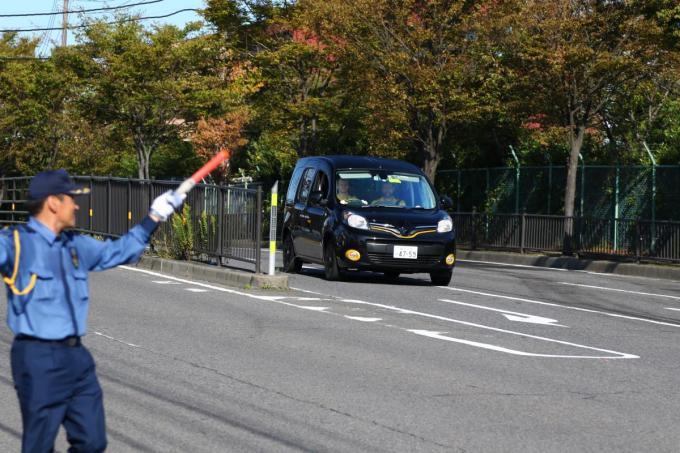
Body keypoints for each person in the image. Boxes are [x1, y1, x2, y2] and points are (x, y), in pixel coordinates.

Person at [0, 169, 185, 453]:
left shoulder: (75, 246)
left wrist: (154, 217)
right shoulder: (14, 243)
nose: (75, 205)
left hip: (76, 358)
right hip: (36, 358)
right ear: (53, 203)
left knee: (92, 441)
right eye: (70, 199)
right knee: (38, 446)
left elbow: (119, 251)